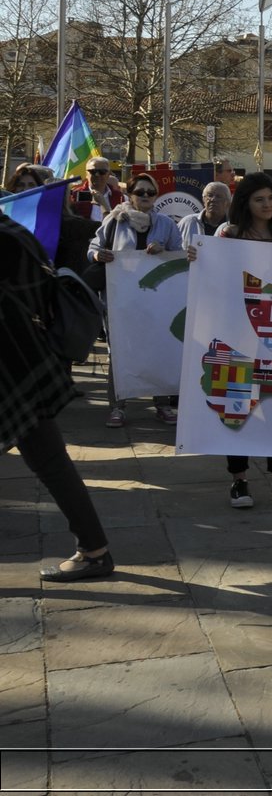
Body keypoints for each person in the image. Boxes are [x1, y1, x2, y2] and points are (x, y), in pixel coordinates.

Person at [1, 213, 115, 581]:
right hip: (26, 364)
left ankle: (95, 551)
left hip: (12, 368)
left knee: (51, 462)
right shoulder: (12, 230)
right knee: (52, 462)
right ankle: (95, 550)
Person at [209, 172, 272, 508]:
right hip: (237, 330)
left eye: (271, 199)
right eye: (259, 199)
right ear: (245, 203)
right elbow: (213, 274)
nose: (267, 204)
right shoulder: (228, 234)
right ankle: (239, 481)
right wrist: (198, 257)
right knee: (237, 403)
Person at [89, 171, 181, 428]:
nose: (146, 196)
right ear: (130, 194)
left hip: (157, 300)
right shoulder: (115, 220)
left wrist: (165, 251)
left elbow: (180, 255)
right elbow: (93, 248)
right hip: (121, 300)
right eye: (140, 192)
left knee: (158, 348)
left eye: (150, 192)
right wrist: (100, 257)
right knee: (119, 351)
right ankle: (118, 406)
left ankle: (161, 404)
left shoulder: (166, 224)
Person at [177, 181, 231, 251]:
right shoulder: (188, 222)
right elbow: (174, 248)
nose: (213, 199)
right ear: (203, 199)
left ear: (228, 202)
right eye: (210, 195)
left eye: (219, 196)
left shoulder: (234, 226)